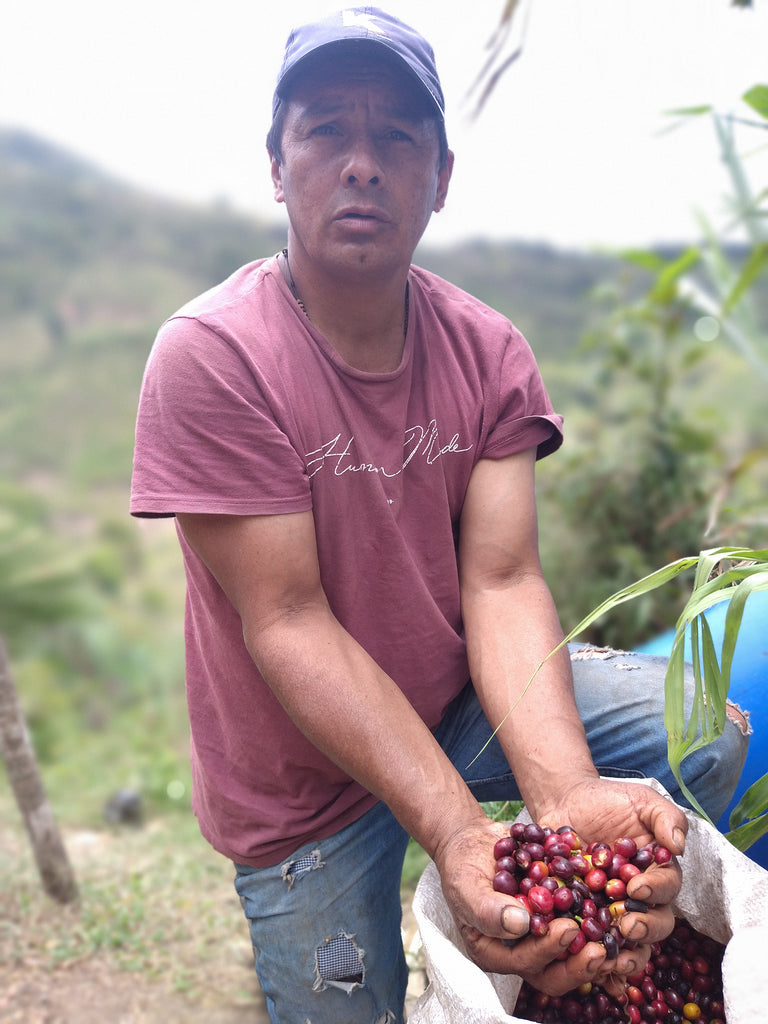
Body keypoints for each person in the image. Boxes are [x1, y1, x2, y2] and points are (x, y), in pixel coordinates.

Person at [130, 8, 749, 1023]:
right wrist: (460, 833)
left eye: (397, 138)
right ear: (278, 167)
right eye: (327, 130)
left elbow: (501, 581)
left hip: (457, 692)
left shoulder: (489, 349)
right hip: (300, 776)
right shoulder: (213, 356)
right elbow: (288, 621)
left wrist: (561, 797)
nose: (362, 163)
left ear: (441, 177)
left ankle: (625, 947)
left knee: (705, 739)